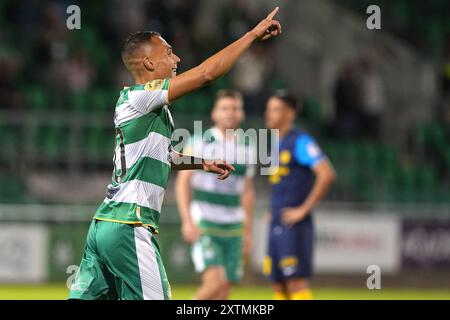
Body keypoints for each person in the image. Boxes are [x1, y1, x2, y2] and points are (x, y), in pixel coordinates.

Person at [68, 7, 282, 300]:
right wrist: (252, 35)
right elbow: (207, 74)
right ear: (148, 62)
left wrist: (202, 163)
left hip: (105, 225)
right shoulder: (140, 97)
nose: (177, 58)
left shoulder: (149, 109)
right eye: (169, 52)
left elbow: (164, 156)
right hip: (130, 224)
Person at [175, 90, 255, 300]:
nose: (230, 113)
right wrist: (187, 221)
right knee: (214, 284)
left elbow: (247, 191)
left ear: (242, 113)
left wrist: (247, 231)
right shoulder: (200, 141)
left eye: (235, 108)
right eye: (225, 108)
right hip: (205, 221)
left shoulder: (249, 147)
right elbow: (183, 182)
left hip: (234, 225)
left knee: (224, 291)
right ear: (214, 113)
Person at [264, 91, 336, 300]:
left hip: (294, 225)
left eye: (275, 109)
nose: (269, 114)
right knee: (278, 284)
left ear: (290, 114)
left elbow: (326, 174)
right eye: (268, 109)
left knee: (295, 282)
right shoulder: (273, 143)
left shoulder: (301, 141)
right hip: (277, 221)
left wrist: (303, 210)